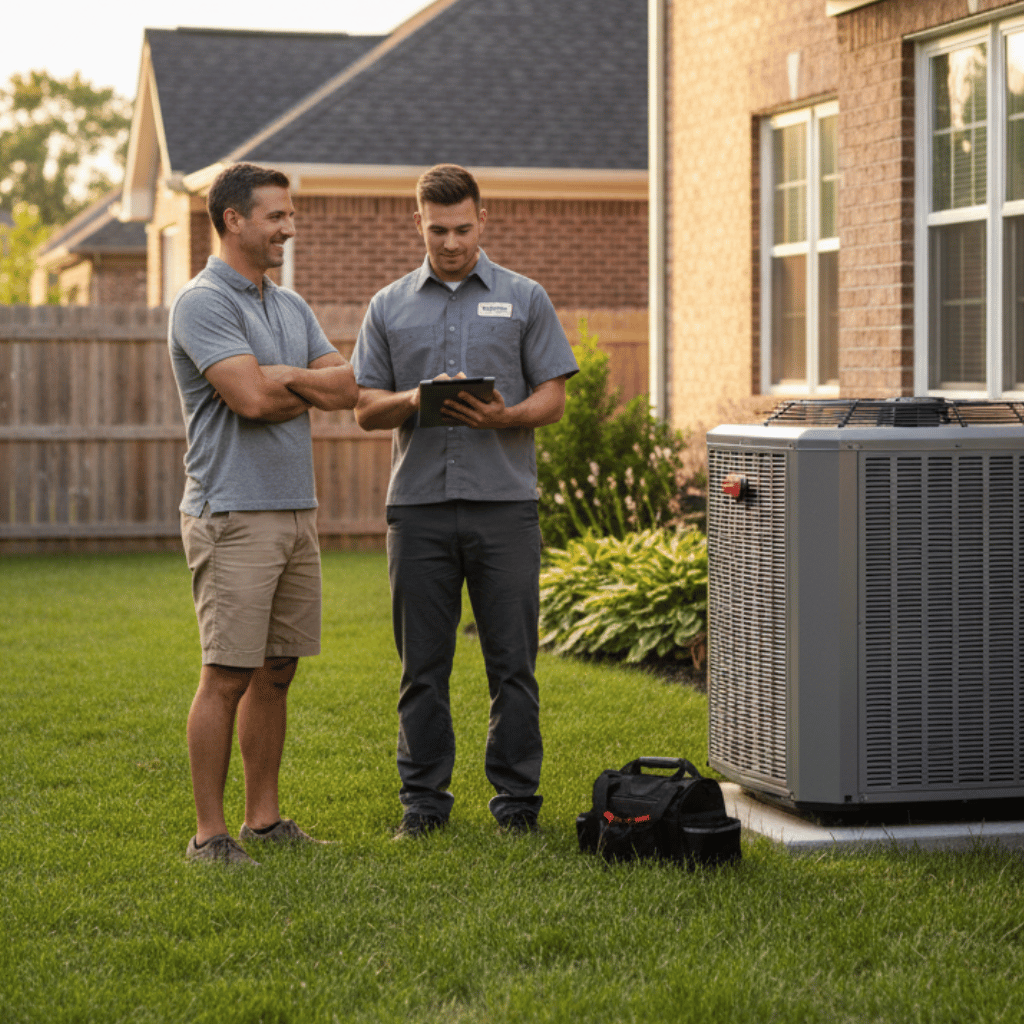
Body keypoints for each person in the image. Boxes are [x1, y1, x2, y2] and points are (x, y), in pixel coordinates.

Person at [351, 163, 578, 838]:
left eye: (462, 228)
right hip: (417, 512)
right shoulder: (387, 306)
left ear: (484, 220)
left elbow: (554, 396)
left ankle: (516, 805)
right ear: (416, 221)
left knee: (513, 664)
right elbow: (365, 409)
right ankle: (423, 805)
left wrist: (509, 418)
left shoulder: (525, 297)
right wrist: (415, 400)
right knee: (422, 667)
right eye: (438, 228)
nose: (450, 242)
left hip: (504, 507)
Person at [169, 162, 358, 864]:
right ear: (233, 220)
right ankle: (208, 836)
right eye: (275, 215)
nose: (288, 226)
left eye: (289, 214)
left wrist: (287, 377)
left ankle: (264, 819)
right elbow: (249, 400)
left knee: (278, 669)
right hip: (233, 513)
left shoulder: (288, 305)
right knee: (227, 673)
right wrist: (294, 384)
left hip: (293, 509)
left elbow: (349, 388)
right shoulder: (202, 303)